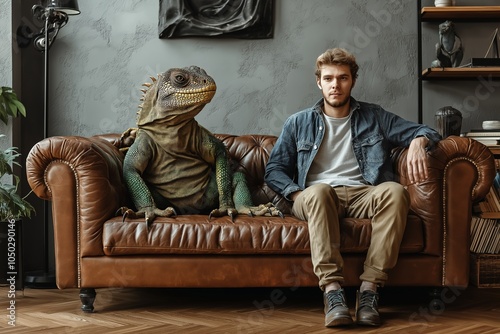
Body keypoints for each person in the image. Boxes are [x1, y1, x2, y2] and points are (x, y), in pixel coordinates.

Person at [264, 48, 441, 327]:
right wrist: (297, 193)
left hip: (362, 192)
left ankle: (370, 289)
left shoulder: (374, 116)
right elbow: (274, 169)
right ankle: (332, 292)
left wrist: (419, 142)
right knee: (321, 191)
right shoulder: (299, 122)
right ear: (319, 82)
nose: (336, 85)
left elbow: (427, 130)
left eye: (343, 78)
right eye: (329, 78)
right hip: (314, 195)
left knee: (396, 191)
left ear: (352, 81)